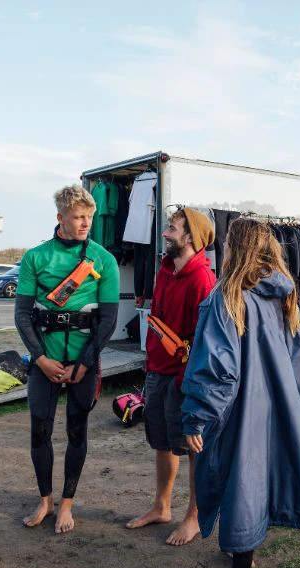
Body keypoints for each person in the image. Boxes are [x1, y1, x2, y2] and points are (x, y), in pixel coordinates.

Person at [181, 218, 300, 568]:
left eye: (229, 243)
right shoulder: (283, 295)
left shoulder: (228, 297)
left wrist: (197, 416)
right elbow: (297, 360)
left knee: (240, 482)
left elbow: (218, 369)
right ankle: (242, 552)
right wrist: (288, 404)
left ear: (237, 248)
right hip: (275, 406)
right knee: (255, 481)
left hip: (240, 408)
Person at [14, 184, 120, 533]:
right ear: (60, 217)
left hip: (82, 363)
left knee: (77, 432)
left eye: (89, 217)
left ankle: (67, 504)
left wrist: (85, 363)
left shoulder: (103, 260)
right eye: (78, 217)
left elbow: (107, 320)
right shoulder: (35, 257)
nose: (85, 223)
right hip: (44, 363)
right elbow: (23, 314)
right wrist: (40, 358)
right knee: (39, 431)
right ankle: (45, 500)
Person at [127, 208, 215, 546]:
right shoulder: (165, 270)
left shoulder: (203, 280)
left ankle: (193, 517)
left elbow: (205, 342)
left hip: (184, 380)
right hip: (157, 372)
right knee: (161, 443)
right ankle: (161, 507)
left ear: (190, 237)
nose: (165, 234)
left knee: (192, 447)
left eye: (172, 229)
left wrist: (188, 384)